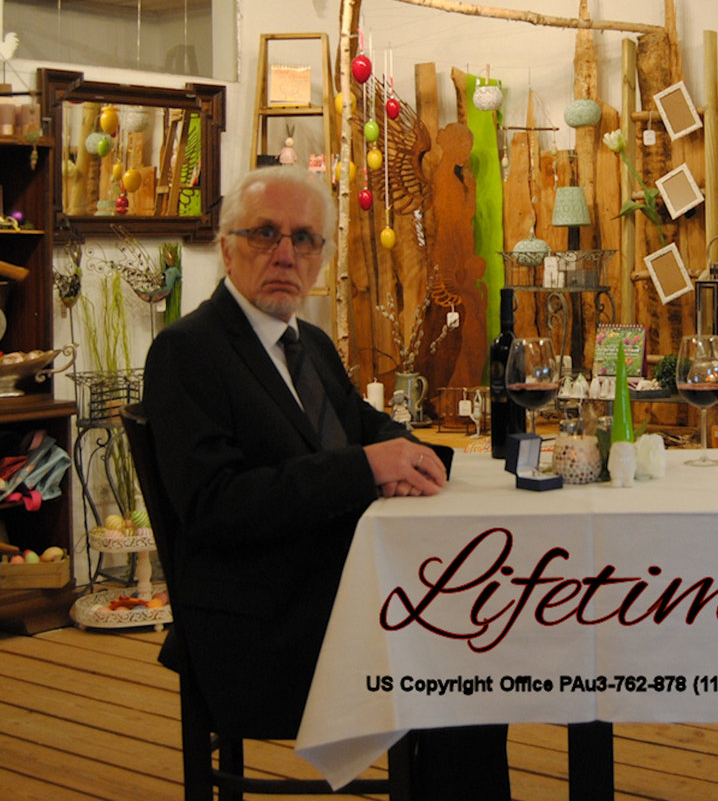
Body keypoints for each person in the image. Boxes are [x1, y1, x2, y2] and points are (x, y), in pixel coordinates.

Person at [142, 165, 510, 798]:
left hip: (337, 593)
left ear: (321, 256)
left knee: (478, 628)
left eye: (306, 239)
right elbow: (215, 505)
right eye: (265, 233)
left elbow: (367, 427)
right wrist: (366, 470)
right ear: (227, 247)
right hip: (258, 631)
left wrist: (427, 461)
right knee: (462, 652)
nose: (286, 254)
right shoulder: (188, 351)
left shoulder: (306, 341)